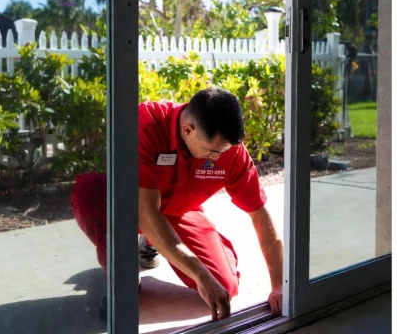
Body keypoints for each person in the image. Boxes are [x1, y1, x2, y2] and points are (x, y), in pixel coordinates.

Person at [70, 87, 283, 321]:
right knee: (88, 193)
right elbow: (146, 212)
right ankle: (128, 262)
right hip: (132, 205)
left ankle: (152, 241)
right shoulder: (145, 123)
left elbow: (259, 213)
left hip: (180, 210)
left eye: (222, 151)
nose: (217, 158)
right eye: (212, 151)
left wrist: (280, 285)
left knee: (222, 287)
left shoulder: (229, 150)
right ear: (188, 129)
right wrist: (200, 274)